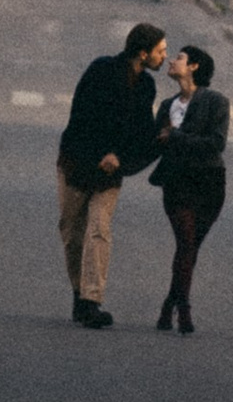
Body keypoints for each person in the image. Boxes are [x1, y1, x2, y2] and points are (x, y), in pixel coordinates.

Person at [55, 19, 167, 327]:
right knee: (71, 232)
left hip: (110, 171)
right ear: (142, 53)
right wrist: (98, 154)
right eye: (160, 51)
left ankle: (92, 300)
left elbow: (140, 130)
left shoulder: (146, 85)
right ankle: (79, 295)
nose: (164, 57)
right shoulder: (101, 71)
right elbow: (82, 117)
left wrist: (124, 154)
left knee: (99, 228)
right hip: (77, 162)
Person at [151, 44, 231, 335]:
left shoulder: (216, 102)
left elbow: (216, 143)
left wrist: (175, 136)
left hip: (209, 183)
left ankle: (168, 303)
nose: (171, 61)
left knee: (190, 247)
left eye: (180, 58)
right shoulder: (165, 106)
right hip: (177, 183)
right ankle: (183, 307)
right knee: (185, 243)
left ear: (195, 66)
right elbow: (156, 143)